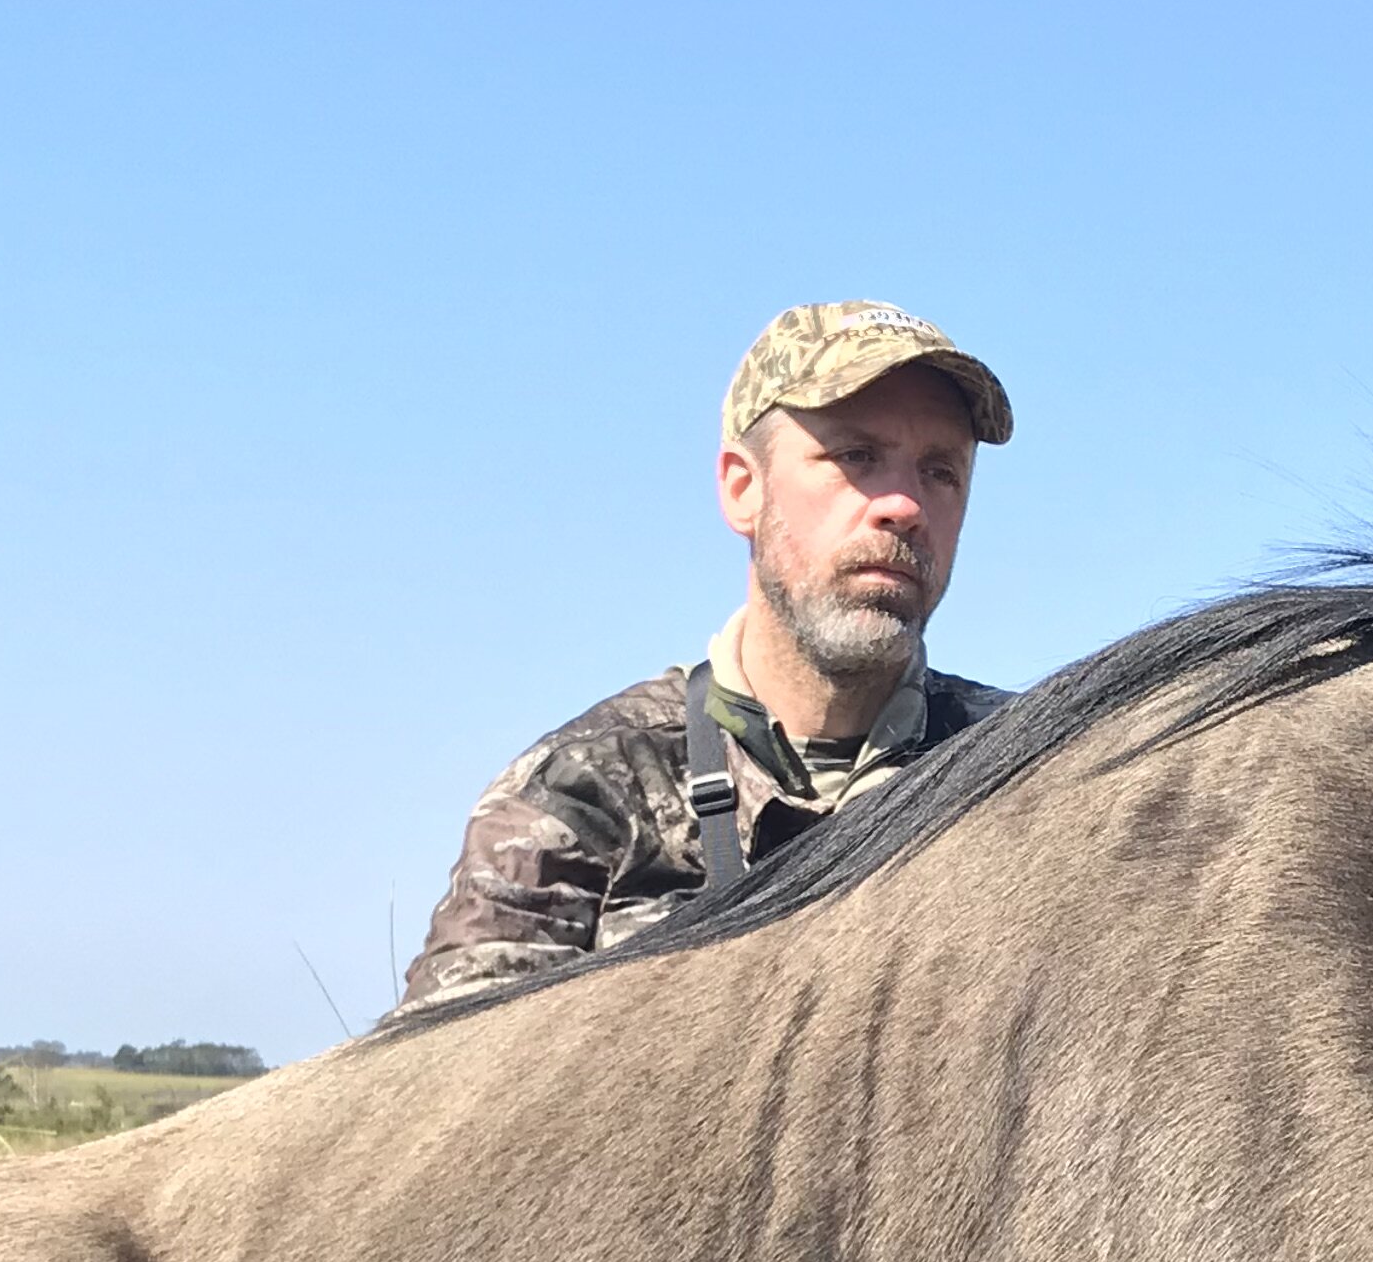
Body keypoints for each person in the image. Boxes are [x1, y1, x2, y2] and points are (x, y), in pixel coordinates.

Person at [389, 302, 1013, 1017]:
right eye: (856, 458)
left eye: (941, 472)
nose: (904, 505)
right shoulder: (587, 789)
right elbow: (436, 1101)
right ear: (743, 488)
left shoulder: (1029, 774)